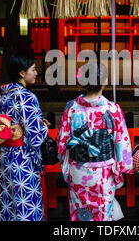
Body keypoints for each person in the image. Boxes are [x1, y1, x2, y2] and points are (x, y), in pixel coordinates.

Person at [56, 64, 133, 221]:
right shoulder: (113, 109)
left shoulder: (71, 108)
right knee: (103, 214)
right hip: (103, 174)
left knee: (80, 215)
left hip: (78, 169)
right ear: (104, 81)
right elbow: (122, 141)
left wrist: (66, 165)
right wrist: (123, 168)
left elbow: (61, 142)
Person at [0, 55, 50, 221]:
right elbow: (35, 134)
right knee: (26, 202)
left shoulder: (2, 96)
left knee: (9, 201)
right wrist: (43, 126)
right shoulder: (27, 97)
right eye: (33, 70)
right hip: (23, 157)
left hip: (5, 156)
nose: (36, 73)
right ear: (22, 73)